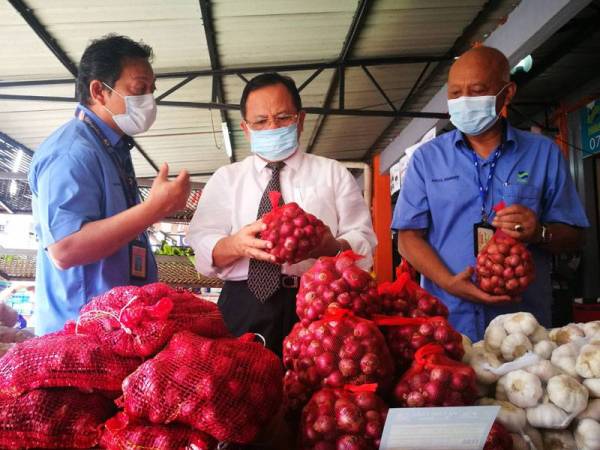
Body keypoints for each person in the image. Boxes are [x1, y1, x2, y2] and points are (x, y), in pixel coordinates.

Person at [392, 46, 589, 342]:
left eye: (477, 91)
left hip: (522, 327)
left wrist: (540, 233)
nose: (464, 101)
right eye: (456, 93)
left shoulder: (542, 153)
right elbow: (408, 238)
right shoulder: (427, 158)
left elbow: (575, 236)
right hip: (447, 322)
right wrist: (449, 282)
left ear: (506, 94)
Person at [187, 72, 376, 356]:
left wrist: (332, 248)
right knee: (243, 387)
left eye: (283, 117)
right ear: (246, 129)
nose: (272, 127)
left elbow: (364, 240)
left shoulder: (332, 173)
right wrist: (236, 245)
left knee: (315, 390)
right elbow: (201, 245)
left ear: (300, 120)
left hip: (322, 302)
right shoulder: (227, 179)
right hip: (244, 302)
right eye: (261, 121)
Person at [29, 34, 190, 335]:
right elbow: (65, 249)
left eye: (152, 91)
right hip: (79, 340)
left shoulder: (111, 149)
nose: (149, 100)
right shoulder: (72, 152)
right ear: (98, 91)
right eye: (139, 88)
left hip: (116, 332)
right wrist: (154, 209)